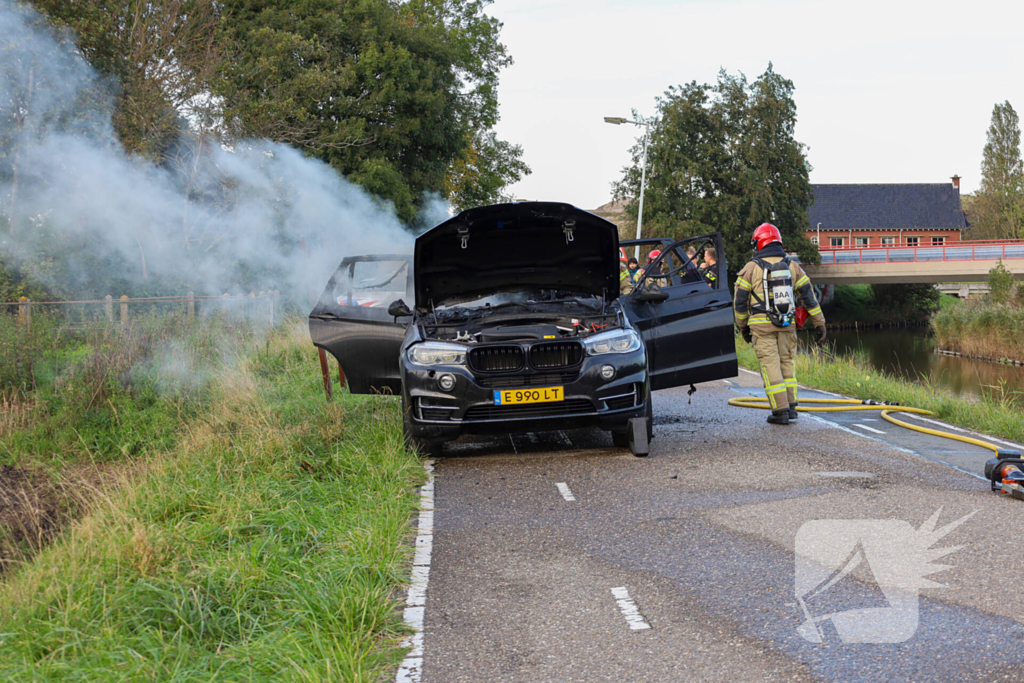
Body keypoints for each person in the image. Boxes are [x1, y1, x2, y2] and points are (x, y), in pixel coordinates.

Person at [734, 223, 827, 425]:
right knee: (787, 364)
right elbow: (809, 298)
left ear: (759, 242)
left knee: (770, 366)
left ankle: (780, 411)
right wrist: (820, 324)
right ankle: (791, 407)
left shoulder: (750, 268)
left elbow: (740, 304)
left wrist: (743, 328)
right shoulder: (793, 267)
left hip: (761, 328)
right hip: (787, 325)